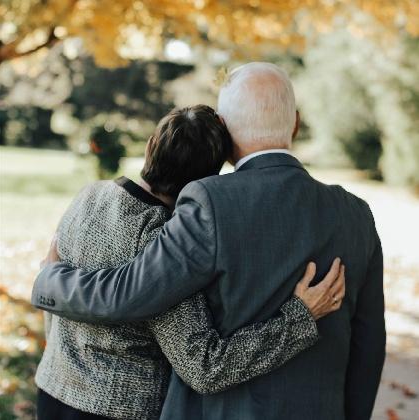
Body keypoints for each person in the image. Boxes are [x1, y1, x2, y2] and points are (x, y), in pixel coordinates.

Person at [33, 62, 385, 420]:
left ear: (229, 133)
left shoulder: (204, 204)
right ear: (294, 122)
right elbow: (368, 342)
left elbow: (129, 295)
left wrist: (50, 279)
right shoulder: (357, 213)